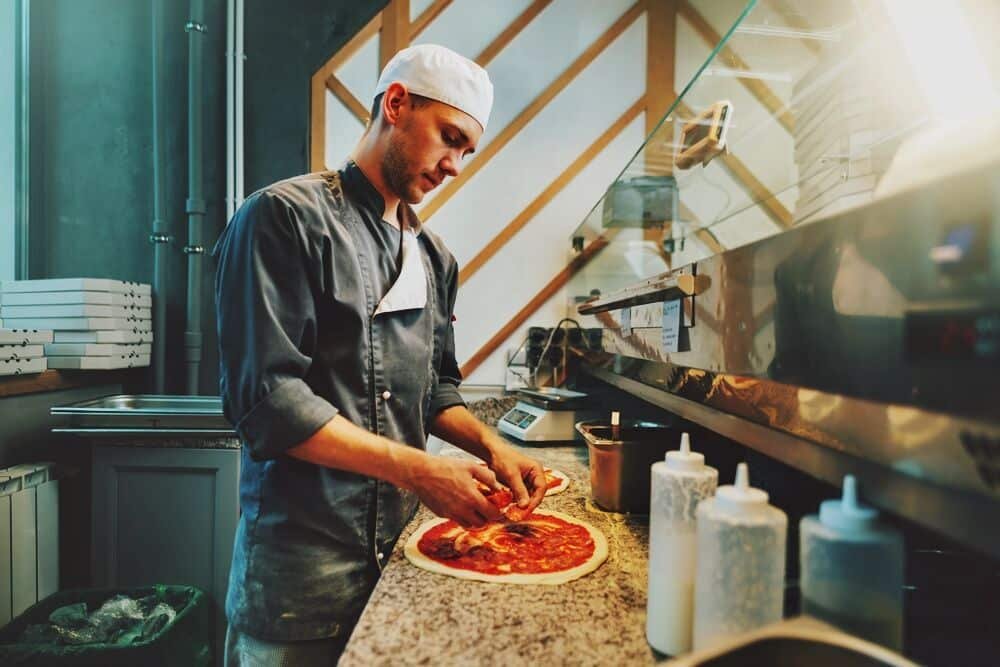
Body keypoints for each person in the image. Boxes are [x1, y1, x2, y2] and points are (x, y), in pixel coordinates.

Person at [213, 44, 548, 666]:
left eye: (466, 152)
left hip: (396, 560)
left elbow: (435, 389)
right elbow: (268, 404)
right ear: (396, 104)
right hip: (300, 579)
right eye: (449, 138)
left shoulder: (433, 256)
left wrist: (494, 446)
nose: (454, 166)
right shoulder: (284, 219)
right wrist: (418, 470)